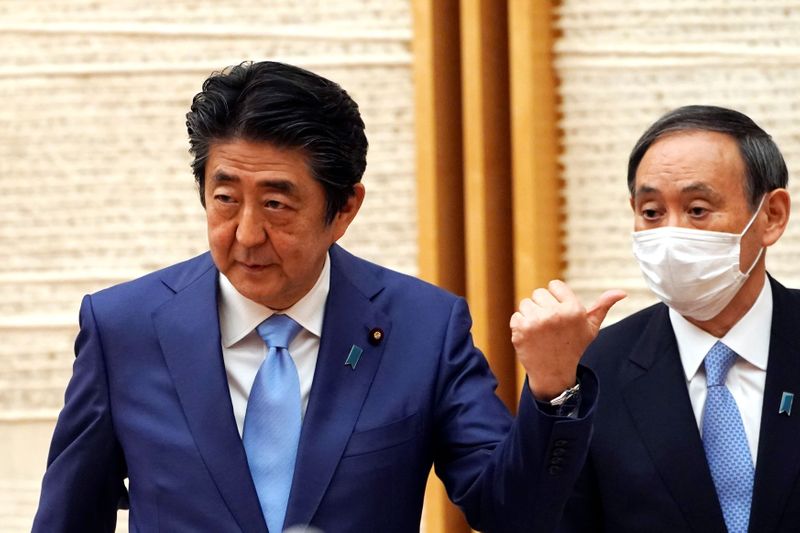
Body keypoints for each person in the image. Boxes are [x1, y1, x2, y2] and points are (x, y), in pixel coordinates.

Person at [32, 61, 611, 533]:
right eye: (225, 198)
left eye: (277, 204)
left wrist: (553, 389)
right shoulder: (123, 327)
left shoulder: (423, 327)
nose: (246, 233)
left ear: (345, 209)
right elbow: (69, 516)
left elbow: (511, 512)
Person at [532, 105, 797, 532]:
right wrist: (550, 390)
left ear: (771, 216)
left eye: (697, 209)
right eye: (652, 212)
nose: (671, 236)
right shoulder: (594, 368)